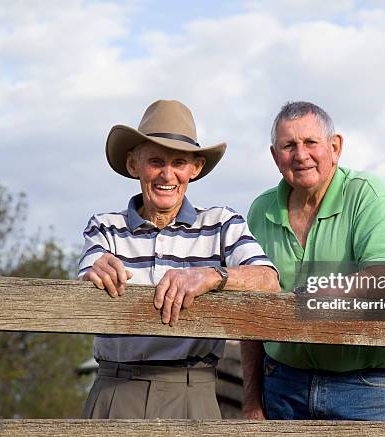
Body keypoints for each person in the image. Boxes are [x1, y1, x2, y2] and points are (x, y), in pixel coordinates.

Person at [78, 99, 280, 419]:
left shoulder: (222, 222)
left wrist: (213, 276)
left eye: (179, 163)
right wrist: (95, 271)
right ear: (134, 165)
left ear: (195, 168)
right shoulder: (104, 226)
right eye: (155, 161)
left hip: (192, 389)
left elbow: (268, 280)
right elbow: (89, 270)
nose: (167, 174)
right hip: (115, 387)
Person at [241, 101, 385, 421]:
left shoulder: (366, 193)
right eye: (288, 145)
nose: (300, 155)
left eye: (310, 142)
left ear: (335, 147)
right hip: (283, 386)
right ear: (276, 157)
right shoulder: (260, 210)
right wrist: (251, 399)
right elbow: (249, 311)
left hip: (364, 388)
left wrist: (310, 296)